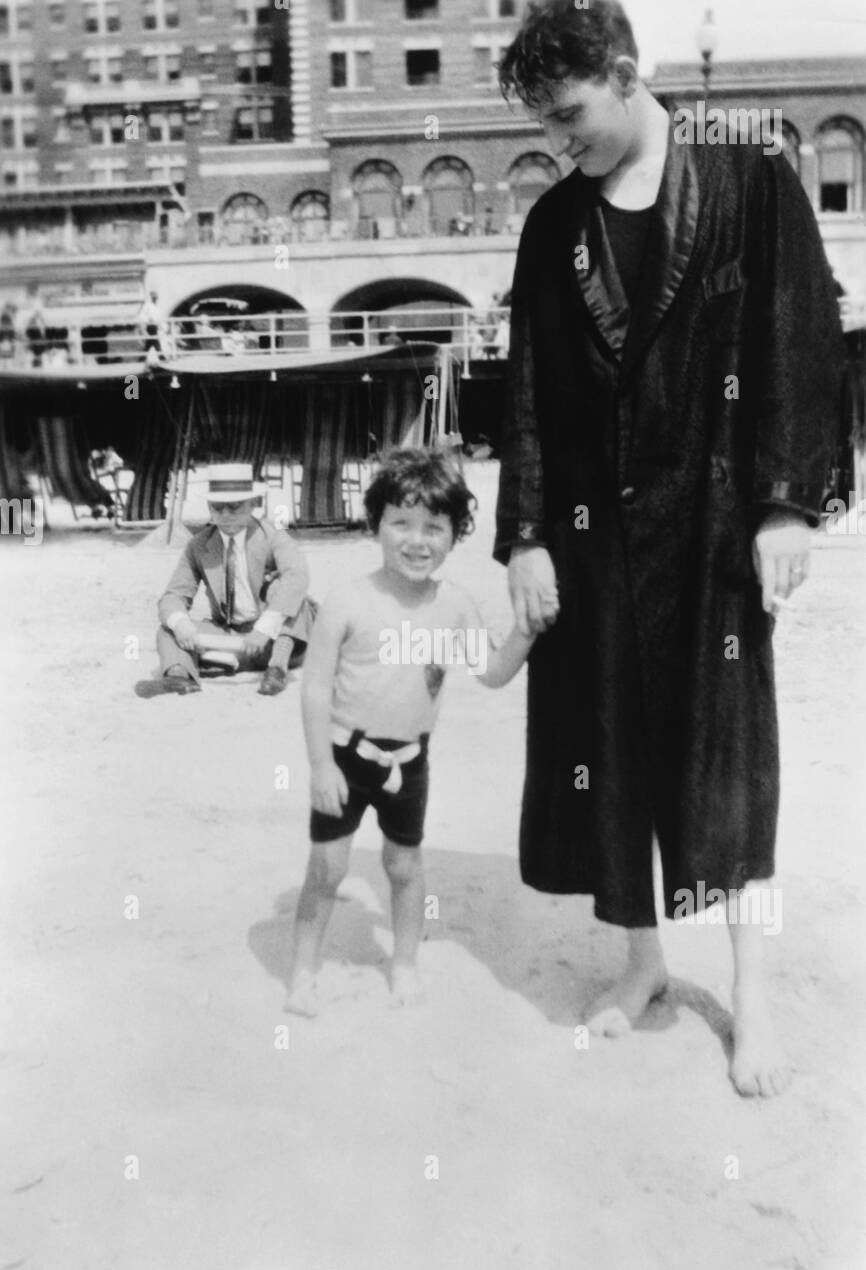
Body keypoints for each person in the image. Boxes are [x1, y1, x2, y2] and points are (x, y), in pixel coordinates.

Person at [495, 0, 845, 1097]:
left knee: (726, 764)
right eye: (547, 132)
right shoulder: (553, 226)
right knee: (606, 757)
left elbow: (799, 339)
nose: (562, 145)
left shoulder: (746, 183)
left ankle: (752, 1001)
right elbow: (531, 396)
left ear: (623, 69)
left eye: (570, 117)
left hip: (710, 533)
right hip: (595, 539)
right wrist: (524, 538)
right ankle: (642, 965)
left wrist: (786, 505)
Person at [285, 449, 533, 1017]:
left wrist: (527, 630)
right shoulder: (349, 600)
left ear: (455, 534)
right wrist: (321, 766)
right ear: (376, 525)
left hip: (409, 763)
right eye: (401, 523)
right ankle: (302, 973)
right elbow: (316, 688)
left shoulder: (455, 607)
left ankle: (403, 963)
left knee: (404, 867)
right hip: (345, 759)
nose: (417, 540)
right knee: (326, 869)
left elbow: (492, 673)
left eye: (434, 528)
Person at [154, 463, 316, 697]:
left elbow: (298, 576)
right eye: (217, 508)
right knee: (167, 629)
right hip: (230, 632)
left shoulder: (273, 537)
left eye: (235, 507)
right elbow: (173, 595)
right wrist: (181, 623)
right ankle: (180, 673)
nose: (226, 516)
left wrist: (263, 629)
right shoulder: (199, 545)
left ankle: (276, 669)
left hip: (275, 637)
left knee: (290, 595)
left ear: (253, 504)